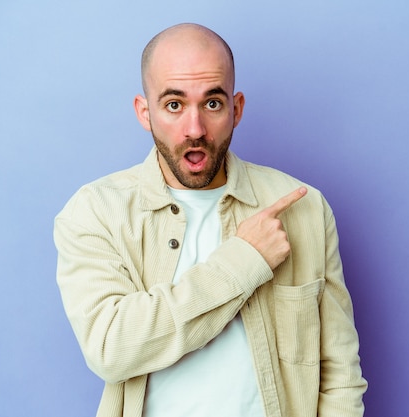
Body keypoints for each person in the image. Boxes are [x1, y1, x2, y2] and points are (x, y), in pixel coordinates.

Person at [54, 23, 367, 417]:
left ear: (236, 108)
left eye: (213, 104)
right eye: (174, 105)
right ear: (144, 112)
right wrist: (244, 260)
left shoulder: (304, 208)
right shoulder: (96, 211)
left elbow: (340, 373)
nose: (195, 129)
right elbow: (110, 349)